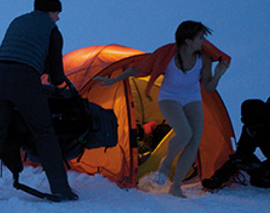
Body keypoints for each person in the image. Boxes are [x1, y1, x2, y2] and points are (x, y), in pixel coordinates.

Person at [96, 21, 230, 197]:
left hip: (192, 98)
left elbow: (208, 87)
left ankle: (175, 187)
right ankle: (165, 164)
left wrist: (219, 74)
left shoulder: (203, 58)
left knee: (194, 140)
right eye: (200, 37)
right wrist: (113, 80)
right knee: (184, 134)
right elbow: (138, 68)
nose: (203, 41)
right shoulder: (167, 55)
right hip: (169, 98)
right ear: (188, 41)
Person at [0, 0, 79, 203]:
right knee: (44, 133)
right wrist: (54, 80)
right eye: (57, 13)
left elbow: (15, 51)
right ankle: (61, 189)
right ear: (51, 10)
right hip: (24, 79)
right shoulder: (52, 30)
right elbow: (58, 75)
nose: (58, 17)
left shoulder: (18, 21)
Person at [203, 60, 270, 190]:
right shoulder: (251, 128)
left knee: (267, 175)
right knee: (259, 178)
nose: (254, 128)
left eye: (256, 125)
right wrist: (219, 177)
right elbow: (241, 155)